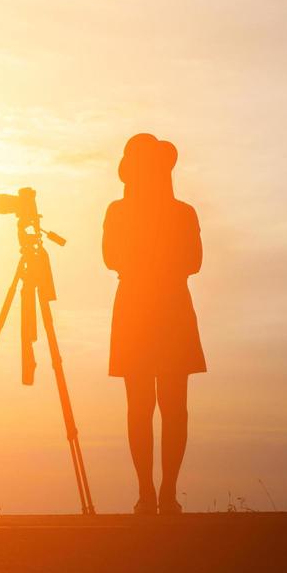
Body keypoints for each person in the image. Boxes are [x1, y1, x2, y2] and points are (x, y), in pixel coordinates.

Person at [102, 133, 205, 516]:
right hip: (160, 306)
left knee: (149, 405)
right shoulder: (178, 213)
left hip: (146, 306)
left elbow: (113, 258)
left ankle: (157, 493)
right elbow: (191, 261)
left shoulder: (142, 212)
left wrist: (145, 261)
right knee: (160, 406)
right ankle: (156, 493)